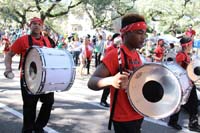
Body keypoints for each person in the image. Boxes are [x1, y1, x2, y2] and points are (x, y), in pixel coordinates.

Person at [88, 13, 147, 133]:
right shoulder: (115, 55)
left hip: (138, 112)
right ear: (126, 33)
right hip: (123, 116)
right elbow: (92, 82)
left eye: (144, 33)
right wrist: (111, 81)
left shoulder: (136, 55)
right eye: (139, 33)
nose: (144, 37)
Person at [4, 17, 54, 133]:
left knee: (49, 102)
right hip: (28, 78)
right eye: (34, 24)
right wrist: (8, 69)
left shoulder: (47, 41)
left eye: (39, 24)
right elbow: (9, 55)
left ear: (42, 27)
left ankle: (39, 126)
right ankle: (27, 129)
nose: (36, 26)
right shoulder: (22, 40)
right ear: (29, 26)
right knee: (29, 106)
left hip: (44, 79)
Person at [167, 36, 200, 132]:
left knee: (189, 104)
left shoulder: (187, 54)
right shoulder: (181, 55)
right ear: (187, 45)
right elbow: (178, 69)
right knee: (180, 104)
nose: (192, 46)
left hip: (189, 83)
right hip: (183, 83)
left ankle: (191, 123)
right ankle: (175, 122)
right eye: (191, 44)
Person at [100, 33, 121, 107]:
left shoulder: (119, 48)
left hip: (117, 69)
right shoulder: (110, 48)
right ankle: (103, 100)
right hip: (110, 68)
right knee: (108, 86)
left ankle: (113, 102)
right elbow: (107, 59)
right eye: (118, 38)